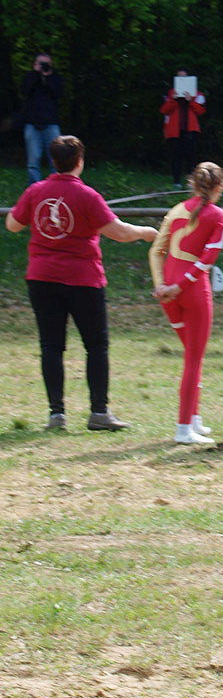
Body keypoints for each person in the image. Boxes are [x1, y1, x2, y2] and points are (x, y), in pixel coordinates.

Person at [5, 135, 157, 431]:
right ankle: (99, 413)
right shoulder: (88, 195)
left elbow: (12, 225)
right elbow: (120, 232)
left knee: (51, 345)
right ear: (80, 161)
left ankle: (56, 414)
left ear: (52, 161)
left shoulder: (36, 191)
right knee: (96, 345)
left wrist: (27, 208)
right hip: (83, 279)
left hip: (42, 278)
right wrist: (146, 232)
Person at [149, 162, 223, 445]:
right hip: (192, 292)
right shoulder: (220, 216)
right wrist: (179, 286)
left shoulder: (176, 210)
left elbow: (156, 250)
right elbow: (205, 262)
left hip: (168, 295)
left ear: (193, 185)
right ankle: (184, 429)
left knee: (190, 357)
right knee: (193, 360)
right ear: (219, 188)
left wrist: (161, 285)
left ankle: (194, 418)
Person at [19, 51, 64, 184]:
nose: (45, 66)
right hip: (32, 125)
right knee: (33, 161)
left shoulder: (55, 78)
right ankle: (34, 190)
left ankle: (56, 187)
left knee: (56, 159)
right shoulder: (29, 77)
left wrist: (48, 77)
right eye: (42, 63)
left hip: (51, 124)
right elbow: (25, 91)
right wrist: (36, 74)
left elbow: (58, 93)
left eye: (47, 63)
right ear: (35, 64)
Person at [160, 69, 206, 185]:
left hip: (191, 130)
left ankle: (191, 183)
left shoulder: (198, 94)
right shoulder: (170, 93)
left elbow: (201, 111)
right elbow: (164, 110)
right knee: (176, 157)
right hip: (174, 132)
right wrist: (173, 100)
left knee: (191, 157)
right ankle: (176, 182)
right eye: (179, 78)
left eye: (184, 78)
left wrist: (190, 101)